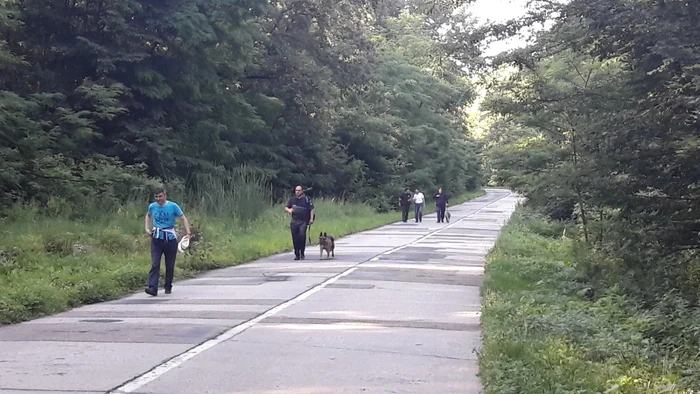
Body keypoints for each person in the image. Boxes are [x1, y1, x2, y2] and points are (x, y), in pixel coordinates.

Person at [144, 186, 190, 296]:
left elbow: (183, 218)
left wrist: (188, 232)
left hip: (170, 238)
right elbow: (148, 215)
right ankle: (153, 288)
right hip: (156, 238)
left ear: (165, 195)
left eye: (160, 196)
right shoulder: (152, 206)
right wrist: (147, 228)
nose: (158, 199)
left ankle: (168, 285)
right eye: (156, 197)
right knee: (155, 263)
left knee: (169, 265)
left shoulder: (173, 206)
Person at [285, 185, 315, 260]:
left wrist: (311, 219)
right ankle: (297, 254)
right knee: (295, 238)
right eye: (296, 190)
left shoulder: (306, 199)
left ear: (302, 191)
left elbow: (311, 209)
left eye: (299, 190)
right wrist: (289, 210)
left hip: (303, 221)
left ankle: (302, 252)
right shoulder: (292, 200)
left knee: (302, 235)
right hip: (294, 221)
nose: (297, 192)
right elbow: (286, 207)